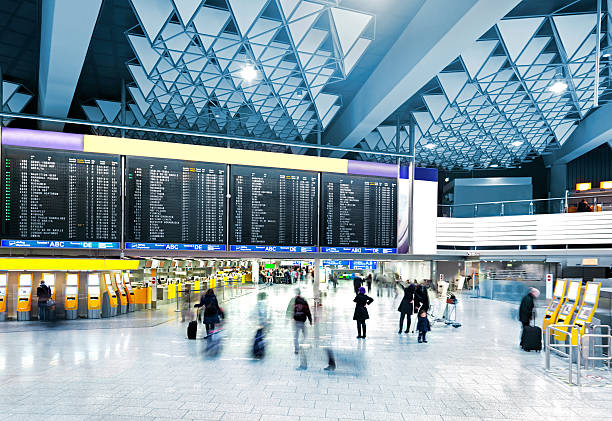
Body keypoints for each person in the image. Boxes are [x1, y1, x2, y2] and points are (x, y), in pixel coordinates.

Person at [287, 288, 312, 354]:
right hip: (302, 321)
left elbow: (289, 310)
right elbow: (308, 311)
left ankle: (296, 349)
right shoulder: (304, 300)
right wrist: (310, 319)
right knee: (305, 334)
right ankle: (300, 344)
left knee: (296, 335)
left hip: (295, 321)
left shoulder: (293, 300)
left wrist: (287, 318)